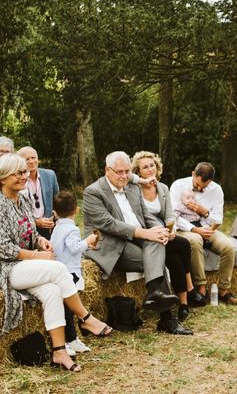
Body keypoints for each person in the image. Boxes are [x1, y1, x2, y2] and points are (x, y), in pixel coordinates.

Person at [0, 154, 113, 373]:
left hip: (24, 264)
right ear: (2, 178)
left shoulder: (22, 199)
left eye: (25, 172)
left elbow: (30, 232)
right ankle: (86, 318)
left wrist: (40, 241)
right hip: (6, 267)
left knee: (52, 291)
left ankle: (59, 351)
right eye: (19, 173)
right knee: (59, 268)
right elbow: (3, 246)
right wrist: (36, 256)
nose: (25, 176)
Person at [83, 151, 192, 335]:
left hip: (137, 238)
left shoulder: (132, 188)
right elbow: (108, 224)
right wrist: (145, 233)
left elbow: (146, 215)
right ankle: (166, 317)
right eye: (119, 172)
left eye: (127, 171)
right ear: (107, 170)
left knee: (157, 242)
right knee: (156, 259)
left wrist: (160, 230)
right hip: (112, 244)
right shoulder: (93, 192)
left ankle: (155, 296)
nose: (124, 176)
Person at [131, 151, 207, 322]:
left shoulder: (162, 188)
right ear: (138, 171)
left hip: (164, 230)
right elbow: (139, 217)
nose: (150, 169)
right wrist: (160, 231)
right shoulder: (134, 189)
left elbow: (169, 215)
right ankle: (188, 291)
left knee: (175, 256)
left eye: (152, 165)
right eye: (145, 167)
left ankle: (183, 303)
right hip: (146, 233)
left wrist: (170, 230)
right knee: (183, 246)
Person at [170, 162, 237, 305]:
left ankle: (223, 290)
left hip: (208, 228)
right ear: (193, 174)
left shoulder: (217, 190)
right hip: (185, 228)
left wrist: (205, 212)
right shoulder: (178, 186)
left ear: (211, 181)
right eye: (197, 184)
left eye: (204, 186)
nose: (200, 188)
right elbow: (173, 216)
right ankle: (201, 287)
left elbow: (218, 219)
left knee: (228, 247)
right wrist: (194, 229)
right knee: (195, 241)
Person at [50, 190, 98, 355]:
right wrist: (88, 241)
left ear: (54, 213)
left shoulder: (56, 228)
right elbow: (74, 247)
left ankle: (71, 338)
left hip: (58, 270)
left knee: (66, 309)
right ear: (77, 210)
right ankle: (68, 340)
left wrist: (83, 245)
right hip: (70, 273)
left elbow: (67, 247)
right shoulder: (72, 229)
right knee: (68, 310)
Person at [17, 146, 60, 239]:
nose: (31, 161)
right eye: (27, 159)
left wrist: (55, 216)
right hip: (27, 229)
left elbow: (57, 199)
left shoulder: (50, 175)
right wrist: (35, 222)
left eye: (33, 157)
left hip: (50, 227)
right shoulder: (17, 180)